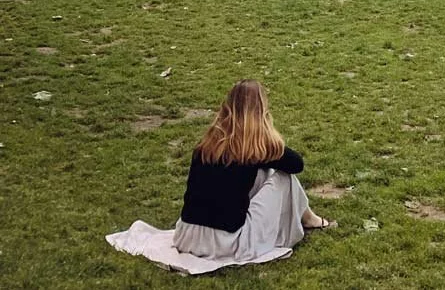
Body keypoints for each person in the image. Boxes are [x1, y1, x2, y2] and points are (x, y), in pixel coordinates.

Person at [107, 80, 332, 271]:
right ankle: (309, 218)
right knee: (282, 176)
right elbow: (296, 164)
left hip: (187, 236)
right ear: (262, 111)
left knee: (265, 172)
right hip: (225, 241)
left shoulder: (207, 143)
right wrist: (268, 134)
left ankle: (309, 217)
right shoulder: (258, 145)